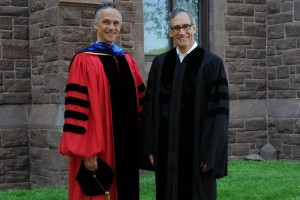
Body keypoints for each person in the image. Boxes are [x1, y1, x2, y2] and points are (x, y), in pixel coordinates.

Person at [141, 7, 229, 200]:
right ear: (170, 32)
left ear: (194, 28)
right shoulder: (160, 64)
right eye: (176, 28)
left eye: (186, 26)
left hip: (197, 155)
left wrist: (210, 153)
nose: (182, 32)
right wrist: (149, 147)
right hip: (165, 152)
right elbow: (149, 109)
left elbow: (219, 114)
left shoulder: (212, 64)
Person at [59, 2, 145, 200]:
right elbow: (78, 109)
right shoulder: (83, 60)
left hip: (127, 146)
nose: (111, 27)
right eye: (106, 22)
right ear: (95, 25)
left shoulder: (127, 61)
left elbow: (141, 102)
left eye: (116, 23)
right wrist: (88, 149)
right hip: (99, 145)